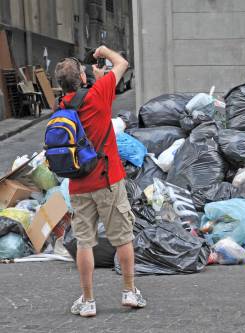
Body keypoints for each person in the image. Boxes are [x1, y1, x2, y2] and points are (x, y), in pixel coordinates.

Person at [54, 45, 146, 318]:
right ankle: (129, 291)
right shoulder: (99, 93)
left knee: (84, 242)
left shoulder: (61, 107)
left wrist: (89, 75)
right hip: (108, 179)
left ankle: (88, 300)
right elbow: (122, 63)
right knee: (123, 237)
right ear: (83, 78)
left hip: (78, 184)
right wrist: (104, 52)